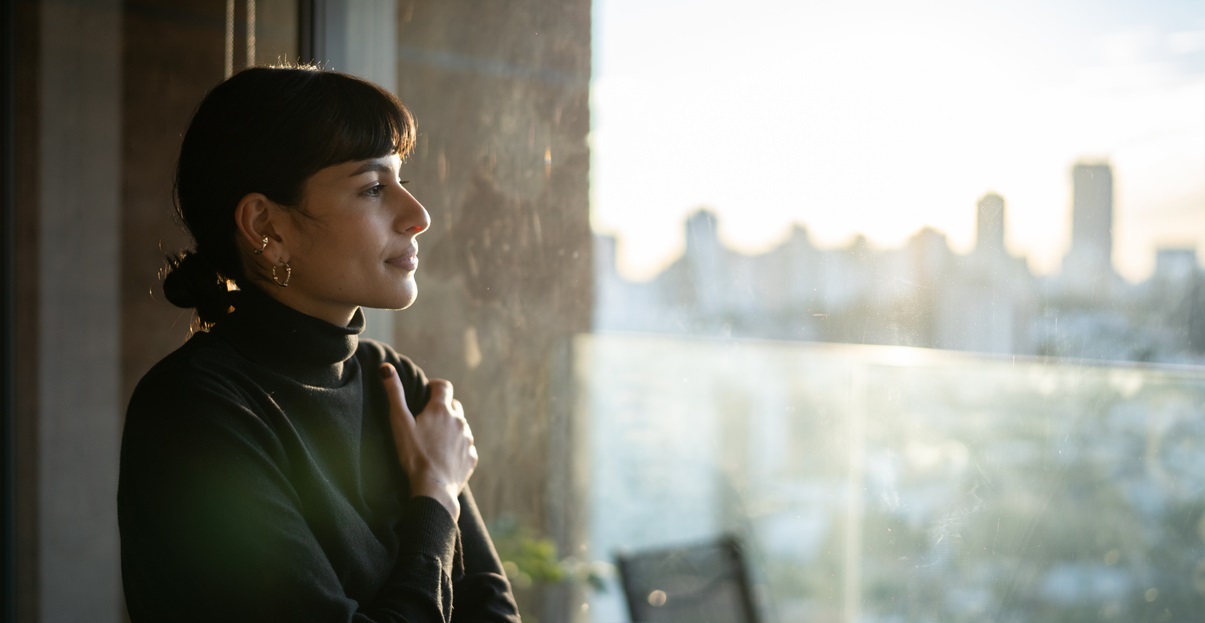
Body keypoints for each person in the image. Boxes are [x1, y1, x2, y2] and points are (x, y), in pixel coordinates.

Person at [117, 65, 521, 622]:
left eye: (402, 180)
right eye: (374, 188)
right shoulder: (193, 412)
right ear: (267, 227)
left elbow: (495, 612)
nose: (418, 216)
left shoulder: (397, 383)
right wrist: (435, 497)